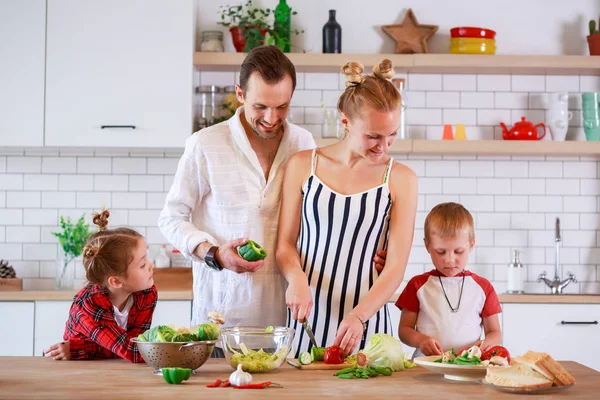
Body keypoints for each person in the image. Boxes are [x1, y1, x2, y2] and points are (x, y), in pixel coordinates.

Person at [158, 45, 388, 335]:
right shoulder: (205, 144)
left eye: (282, 107)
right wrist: (213, 253)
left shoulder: (303, 144)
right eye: (260, 107)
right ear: (240, 95)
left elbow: (319, 218)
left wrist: (369, 251)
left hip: (290, 320)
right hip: (222, 320)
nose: (271, 118)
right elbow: (171, 217)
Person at [277, 59, 418, 358]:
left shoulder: (401, 179)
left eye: (392, 134)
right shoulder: (303, 165)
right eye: (373, 136)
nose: (385, 145)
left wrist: (358, 316)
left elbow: (395, 267)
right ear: (345, 122)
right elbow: (285, 245)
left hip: (367, 325)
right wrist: (296, 277)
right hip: (307, 321)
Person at [44, 210, 157, 362]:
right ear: (116, 281)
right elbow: (135, 351)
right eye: (143, 264)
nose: (151, 265)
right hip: (81, 369)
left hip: (118, 366)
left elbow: (137, 343)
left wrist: (82, 348)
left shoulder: (146, 293)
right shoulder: (88, 304)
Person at [396, 202, 503, 358]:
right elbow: (404, 330)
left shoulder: (483, 287)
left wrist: (486, 344)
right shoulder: (417, 285)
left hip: (467, 366)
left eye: (459, 251)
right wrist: (421, 340)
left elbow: (495, 332)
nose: (449, 260)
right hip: (426, 366)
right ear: (427, 246)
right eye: (441, 252)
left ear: (471, 245)